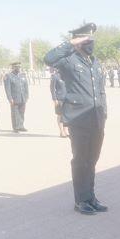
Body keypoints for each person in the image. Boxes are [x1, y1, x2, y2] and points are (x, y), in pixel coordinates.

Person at [44, 23, 108, 215]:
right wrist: (71, 43)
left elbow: (101, 90)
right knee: (81, 160)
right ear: (79, 41)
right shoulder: (68, 61)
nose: (91, 44)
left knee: (92, 159)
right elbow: (48, 58)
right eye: (87, 40)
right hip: (78, 119)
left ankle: (91, 197)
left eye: (92, 40)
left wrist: (104, 112)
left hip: (96, 118)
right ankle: (81, 201)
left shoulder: (94, 62)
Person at [4, 62, 29, 133]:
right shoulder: (8, 76)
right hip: (14, 98)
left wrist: (27, 96)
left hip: (23, 97)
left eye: (19, 67)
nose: (18, 68)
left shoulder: (23, 75)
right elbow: (7, 89)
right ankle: (15, 127)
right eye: (16, 67)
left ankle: (21, 126)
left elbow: (26, 86)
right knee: (15, 113)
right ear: (13, 67)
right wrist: (10, 98)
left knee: (22, 112)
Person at [50, 67, 68, 137]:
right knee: (60, 115)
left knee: (66, 115)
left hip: (67, 98)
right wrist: (55, 99)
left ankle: (66, 130)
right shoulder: (55, 76)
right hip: (59, 98)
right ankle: (61, 131)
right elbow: (52, 89)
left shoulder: (67, 76)